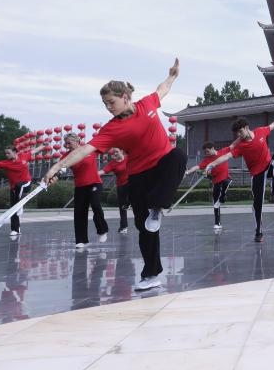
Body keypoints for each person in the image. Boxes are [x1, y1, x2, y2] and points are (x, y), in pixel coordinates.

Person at [43, 59, 186, 292]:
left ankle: (158, 206)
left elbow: (163, 89)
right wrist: (55, 168)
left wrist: (172, 76)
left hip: (163, 164)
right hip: (138, 176)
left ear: (125, 97)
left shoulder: (147, 104)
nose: (108, 107)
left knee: (178, 155)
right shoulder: (110, 129)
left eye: (111, 102)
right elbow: (84, 150)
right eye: (105, 104)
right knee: (144, 228)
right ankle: (151, 274)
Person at [201, 110, 274, 243]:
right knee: (257, 204)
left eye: (240, 131)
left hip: (269, 166)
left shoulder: (261, 132)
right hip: (257, 174)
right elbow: (226, 156)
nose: (239, 135)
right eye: (236, 133)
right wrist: (212, 164)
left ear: (247, 128)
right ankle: (259, 231)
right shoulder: (241, 147)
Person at [0, 143, 43, 238]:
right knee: (12, 209)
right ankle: (15, 229)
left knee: (20, 187)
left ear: (15, 152)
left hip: (26, 184)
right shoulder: (6, 163)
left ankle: (21, 205)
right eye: (5, 153)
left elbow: (34, 151)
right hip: (14, 188)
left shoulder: (23, 156)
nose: (6, 155)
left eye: (8, 153)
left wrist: (44, 145)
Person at [62, 133, 110, 248]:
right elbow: (59, 167)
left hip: (94, 183)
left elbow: (105, 147)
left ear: (77, 140)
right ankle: (81, 240)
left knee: (95, 205)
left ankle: (102, 230)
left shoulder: (88, 149)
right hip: (80, 186)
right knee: (79, 212)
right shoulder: (66, 156)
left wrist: (107, 153)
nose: (67, 145)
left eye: (69, 143)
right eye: (66, 143)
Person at [186, 142, 234, 230]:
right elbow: (197, 167)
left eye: (208, 151)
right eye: (205, 152)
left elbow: (233, 145)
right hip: (216, 181)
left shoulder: (223, 152)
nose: (207, 154)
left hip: (225, 178)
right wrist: (188, 172)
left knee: (227, 182)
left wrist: (242, 138)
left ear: (212, 148)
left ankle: (223, 195)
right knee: (216, 203)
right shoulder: (207, 160)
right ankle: (217, 223)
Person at [98, 148, 130, 234]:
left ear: (122, 151)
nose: (114, 154)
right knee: (122, 208)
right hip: (120, 186)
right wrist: (92, 174)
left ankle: (129, 202)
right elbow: (103, 171)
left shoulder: (129, 158)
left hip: (130, 183)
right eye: (113, 153)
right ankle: (123, 226)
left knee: (134, 189)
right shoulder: (113, 164)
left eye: (116, 152)